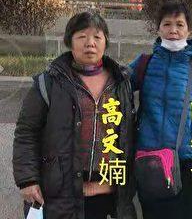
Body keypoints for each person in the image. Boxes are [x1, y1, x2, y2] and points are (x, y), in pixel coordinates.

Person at [13, 12, 136, 219]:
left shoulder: (121, 82)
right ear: (69, 41)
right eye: (82, 37)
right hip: (62, 195)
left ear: (106, 42)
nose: (90, 43)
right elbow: (26, 132)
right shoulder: (49, 82)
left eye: (97, 37)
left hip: (111, 196)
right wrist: (28, 180)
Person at [129, 0, 192, 219]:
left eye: (180, 24)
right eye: (167, 24)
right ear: (158, 28)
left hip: (190, 161)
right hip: (151, 158)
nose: (173, 30)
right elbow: (116, 86)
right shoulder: (145, 63)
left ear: (189, 29)